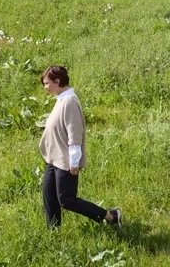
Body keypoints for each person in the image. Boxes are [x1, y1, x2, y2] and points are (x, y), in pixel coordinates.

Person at [39, 65, 121, 229]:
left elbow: (74, 133)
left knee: (67, 200)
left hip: (66, 160)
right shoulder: (61, 99)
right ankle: (53, 232)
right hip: (53, 159)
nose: (45, 87)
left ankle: (111, 217)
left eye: (47, 83)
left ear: (58, 81)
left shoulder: (69, 102)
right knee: (49, 195)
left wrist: (74, 161)